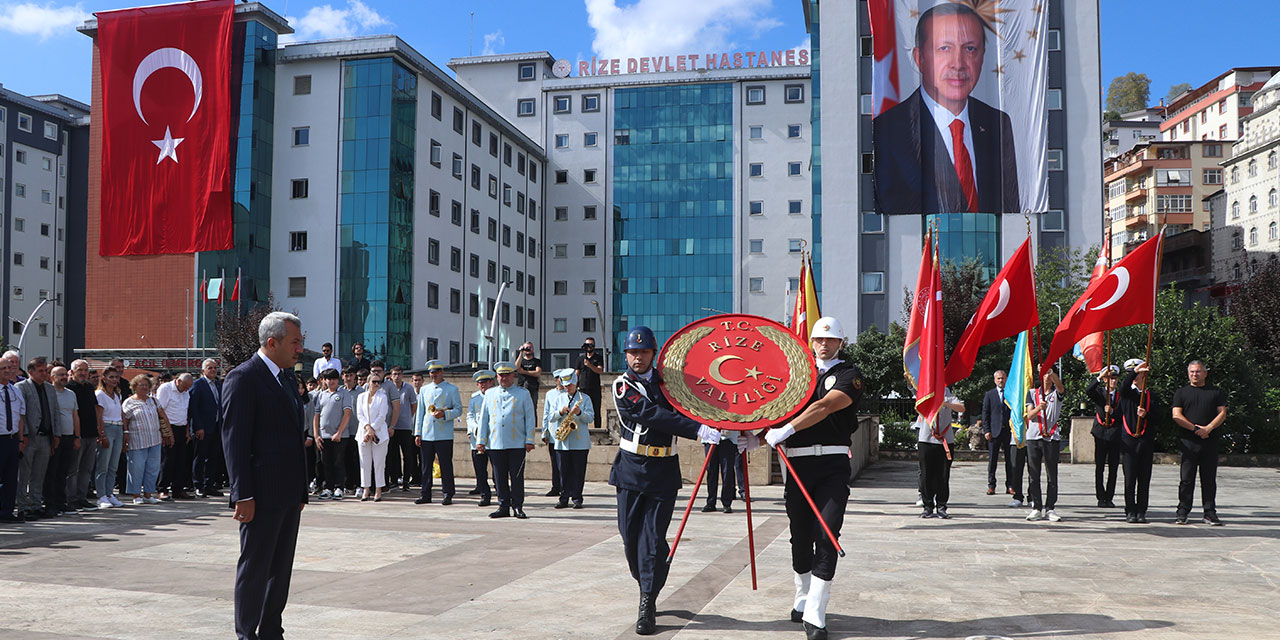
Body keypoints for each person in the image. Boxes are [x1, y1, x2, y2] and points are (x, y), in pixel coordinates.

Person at [611, 326, 722, 636]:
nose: (638, 357)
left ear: (653, 354)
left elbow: (699, 402)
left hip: (663, 469)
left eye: (644, 352)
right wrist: (697, 430)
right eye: (633, 352)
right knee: (630, 537)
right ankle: (652, 572)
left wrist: (722, 423)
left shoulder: (671, 385)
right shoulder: (622, 386)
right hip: (632, 467)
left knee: (651, 538)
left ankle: (648, 600)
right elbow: (650, 415)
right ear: (626, 355)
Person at [763, 317, 864, 640]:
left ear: (841, 343)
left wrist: (788, 429)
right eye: (819, 339)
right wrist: (755, 435)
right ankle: (803, 595)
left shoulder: (850, 374)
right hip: (798, 465)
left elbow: (826, 406)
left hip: (833, 463)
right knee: (800, 534)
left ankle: (816, 613)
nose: (824, 344)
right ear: (811, 342)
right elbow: (773, 409)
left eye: (830, 339)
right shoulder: (798, 376)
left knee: (828, 533)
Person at [872, 2, 1019, 215]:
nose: (958, 63)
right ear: (919, 58)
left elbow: (1010, 207)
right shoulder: (888, 130)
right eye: (944, 48)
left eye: (970, 49)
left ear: (983, 56)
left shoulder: (997, 123)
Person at [222, 311, 308, 640]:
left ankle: (272, 630)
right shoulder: (244, 377)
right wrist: (242, 494)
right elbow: (235, 439)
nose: (300, 348)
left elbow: (292, 437)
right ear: (272, 343)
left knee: (280, 570)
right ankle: (247, 634)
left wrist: (301, 490)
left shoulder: (286, 378)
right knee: (255, 567)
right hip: (259, 492)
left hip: (287, 492)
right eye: (295, 342)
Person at [476, 361, 536, 519]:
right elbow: (484, 418)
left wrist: (530, 439)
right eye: (501, 375)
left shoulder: (523, 393)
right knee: (499, 477)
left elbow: (530, 418)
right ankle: (503, 505)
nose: (504, 378)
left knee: (516, 477)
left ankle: (517, 506)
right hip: (496, 442)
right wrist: (481, 440)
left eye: (507, 375)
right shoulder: (490, 393)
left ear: (513, 376)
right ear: (497, 376)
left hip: (516, 442)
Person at [1171, 360, 1228, 526]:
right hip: (1188, 442)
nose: (1195, 375)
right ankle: (1182, 512)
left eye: (1198, 372)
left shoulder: (1216, 392)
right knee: (1186, 479)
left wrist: (1208, 428)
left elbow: (1222, 413)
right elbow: (1176, 415)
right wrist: (1195, 429)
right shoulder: (1181, 393)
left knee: (1209, 479)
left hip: (1210, 441)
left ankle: (1210, 512)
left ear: (1205, 373)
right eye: (1192, 372)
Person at [17, 357, 60, 519]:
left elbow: (55, 412)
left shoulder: (49, 389)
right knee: (24, 474)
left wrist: (57, 434)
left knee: (39, 474)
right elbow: (21, 413)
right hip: (29, 437)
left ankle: (36, 505)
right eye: (40, 371)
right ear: (31, 372)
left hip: (45, 437)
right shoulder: (21, 387)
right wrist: (24, 435)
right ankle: (22, 506)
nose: (44, 374)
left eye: (46, 371)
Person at [414, 360, 462, 505]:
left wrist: (445, 414)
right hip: (428, 432)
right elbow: (420, 412)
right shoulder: (424, 389)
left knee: (445, 465)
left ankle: (448, 493)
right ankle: (425, 493)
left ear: (442, 372)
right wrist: (418, 433)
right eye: (431, 372)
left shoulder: (451, 389)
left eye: (436, 372)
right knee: (426, 465)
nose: (433, 375)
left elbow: (458, 409)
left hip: (444, 433)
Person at [1118, 359, 1160, 524]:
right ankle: (1130, 510)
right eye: (1131, 374)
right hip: (1128, 442)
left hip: (1145, 442)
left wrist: (1146, 415)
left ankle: (1141, 510)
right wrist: (1136, 371)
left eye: (1137, 374)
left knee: (1144, 479)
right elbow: (1124, 386)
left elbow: (1159, 418)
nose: (1134, 377)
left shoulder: (1151, 395)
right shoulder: (1128, 394)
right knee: (1129, 479)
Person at [122, 374, 172, 505]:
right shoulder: (129, 402)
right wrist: (125, 434)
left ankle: (148, 494)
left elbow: (163, 416)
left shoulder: (153, 401)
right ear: (134, 387)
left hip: (154, 439)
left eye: (147, 385)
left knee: (153, 468)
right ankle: (136, 495)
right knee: (136, 468)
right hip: (137, 440)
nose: (145, 387)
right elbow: (124, 420)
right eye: (141, 385)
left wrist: (168, 433)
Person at [548, 369, 593, 509]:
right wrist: (559, 412)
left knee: (578, 471)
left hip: (580, 442)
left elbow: (591, 418)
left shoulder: (584, 398)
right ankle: (563, 497)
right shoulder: (558, 398)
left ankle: (577, 497)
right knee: (563, 471)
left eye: (570, 385)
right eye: (565, 385)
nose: (567, 388)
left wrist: (580, 413)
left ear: (575, 383)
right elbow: (550, 417)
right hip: (563, 442)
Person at [915, 388, 964, 519]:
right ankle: (928, 506)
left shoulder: (946, 392)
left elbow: (961, 408)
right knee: (926, 475)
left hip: (945, 440)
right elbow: (913, 388)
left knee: (943, 475)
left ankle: (941, 506)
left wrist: (946, 404)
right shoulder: (925, 389)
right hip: (926, 439)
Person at [1024, 369, 1065, 522]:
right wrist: (1038, 408)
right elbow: (1029, 415)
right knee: (1033, 474)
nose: (1047, 378)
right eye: (1044, 375)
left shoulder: (1056, 393)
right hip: (1034, 437)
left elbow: (1060, 386)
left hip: (1051, 438)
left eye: (1049, 375)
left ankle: (1050, 507)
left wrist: (1050, 371)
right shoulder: (1032, 393)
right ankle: (1036, 506)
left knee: (1051, 474)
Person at [515, 342, 554, 497]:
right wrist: (520, 354)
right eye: (525, 348)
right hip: (521, 387)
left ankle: (533, 428)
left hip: (532, 388)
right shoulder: (522, 359)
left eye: (529, 348)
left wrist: (525, 371)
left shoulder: (536, 361)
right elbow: (516, 368)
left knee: (532, 410)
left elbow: (538, 373)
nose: (527, 351)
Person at [312, 367, 353, 500]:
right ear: (324, 380)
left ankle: (339, 487)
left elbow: (347, 414)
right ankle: (328, 487)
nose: (331, 381)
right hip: (324, 436)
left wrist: (339, 432)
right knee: (326, 463)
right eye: (328, 379)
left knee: (338, 462)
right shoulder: (321, 395)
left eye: (334, 379)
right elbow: (316, 416)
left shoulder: (343, 393)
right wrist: (316, 435)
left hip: (340, 436)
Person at [1086, 365, 1121, 508]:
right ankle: (1101, 497)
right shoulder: (1100, 393)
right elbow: (1089, 390)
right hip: (1100, 433)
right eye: (1109, 378)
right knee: (1100, 466)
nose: (1112, 381)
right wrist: (1099, 378)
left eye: (1114, 378)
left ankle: (1109, 497)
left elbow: (1123, 413)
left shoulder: (1121, 395)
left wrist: (1112, 411)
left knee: (1113, 467)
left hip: (1115, 433)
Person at [67, 360, 101, 510]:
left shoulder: (88, 387)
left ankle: (82, 497)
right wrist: (76, 436)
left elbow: (94, 409)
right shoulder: (69, 388)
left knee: (86, 468)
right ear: (72, 371)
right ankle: (71, 499)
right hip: (77, 435)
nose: (83, 373)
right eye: (79, 370)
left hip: (91, 434)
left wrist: (99, 430)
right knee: (73, 469)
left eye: (85, 370)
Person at [190, 359, 225, 498]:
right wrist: (198, 427)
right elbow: (194, 408)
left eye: (214, 368)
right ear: (203, 370)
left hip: (216, 427)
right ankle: (198, 485)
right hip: (203, 428)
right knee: (200, 457)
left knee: (213, 458)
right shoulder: (198, 385)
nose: (212, 370)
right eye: (209, 368)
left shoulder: (218, 385)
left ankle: (209, 485)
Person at [47, 365, 80, 514]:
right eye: (59, 375)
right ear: (52, 377)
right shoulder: (49, 392)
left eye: (65, 374)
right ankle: (50, 502)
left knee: (63, 472)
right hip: (55, 437)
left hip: (69, 437)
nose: (63, 377)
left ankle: (61, 502)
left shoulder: (71, 394)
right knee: (52, 471)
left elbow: (75, 416)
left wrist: (77, 436)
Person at [157, 373, 194, 500]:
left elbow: (186, 411)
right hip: (169, 427)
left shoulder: (185, 392)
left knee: (181, 461)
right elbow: (160, 411)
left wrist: (187, 431)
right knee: (168, 460)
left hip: (182, 427)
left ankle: (178, 489)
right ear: (178, 381)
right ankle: (163, 488)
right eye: (185, 386)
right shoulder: (165, 389)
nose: (186, 390)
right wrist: (165, 432)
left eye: (188, 387)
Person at [355, 371, 390, 502]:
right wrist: (367, 429)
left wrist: (372, 429)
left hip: (379, 433)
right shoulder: (361, 397)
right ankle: (366, 489)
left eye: (378, 382)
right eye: (374, 382)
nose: (376, 384)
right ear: (368, 383)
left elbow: (382, 415)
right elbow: (360, 415)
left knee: (379, 463)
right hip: (363, 433)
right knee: (364, 463)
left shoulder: (383, 397)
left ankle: (378, 489)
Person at [94, 367, 125, 509]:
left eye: (116, 377)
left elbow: (121, 414)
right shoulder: (100, 394)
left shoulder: (118, 395)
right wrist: (102, 434)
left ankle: (109, 492)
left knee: (113, 465)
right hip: (107, 427)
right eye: (111, 377)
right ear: (104, 378)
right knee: (103, 465)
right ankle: (101, 495)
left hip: (118, 427)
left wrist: (125, 432)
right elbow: (99, 416)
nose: (115, 380)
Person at [0, 357, 26, 522]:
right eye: (3, 368)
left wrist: (21, 439)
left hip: (12, 439)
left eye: (10, 368)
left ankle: (8, 512)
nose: (8, 371)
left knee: (11, 478)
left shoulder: (15, 390)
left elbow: (20, 416)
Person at [980, 370, 1014, 497]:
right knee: (993, 460)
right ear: (995, 380)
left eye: (1003, 378)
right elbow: (985, 413)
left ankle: (1010, 485)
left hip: (1008, 432)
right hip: (994, 432)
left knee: (1010, 461)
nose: (1001, 380)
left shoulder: (1011, 393)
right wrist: (986, 430)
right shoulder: (990, 395)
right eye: (998, 378)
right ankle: (991, 485)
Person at [466, 369, 496, 505]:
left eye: (485, 382)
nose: (483, 385)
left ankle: (501, 491)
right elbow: (470, 415)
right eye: (480, 383)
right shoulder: (474, 398)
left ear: (491, 382)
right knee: (480, 469)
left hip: (493, 438)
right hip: (477, 438)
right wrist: (472, 428)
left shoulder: (496, 395)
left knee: (497, 469)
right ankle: (484, 494)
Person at [387, 365, 418, 491]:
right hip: (392, 426)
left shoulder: (408, 388)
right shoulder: (388, 387)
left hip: (405, 426)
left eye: (399, 374)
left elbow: (413, 406)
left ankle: (406, 481)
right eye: (394, 374)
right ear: (391, 375)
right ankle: (394, 480)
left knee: (408, 455)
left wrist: (408, 417)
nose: (397, 376)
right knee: (393, 455)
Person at [701, 428, 740, 515]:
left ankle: (726, 503)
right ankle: (710, 502)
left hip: (728, 438)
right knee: (711, 471)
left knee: (727, 472)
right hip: (711, 437)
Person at [577, 337, 605, 430]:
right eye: (587, 345)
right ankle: (582, 430)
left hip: (595, 388)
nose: (589, 347)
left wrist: (590, 365)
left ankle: (598, 430)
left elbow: (600, 370)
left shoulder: (598, 357)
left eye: (591, 345)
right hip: (583, 388)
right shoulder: (581, 359)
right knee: (582, 410)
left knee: (596, 410)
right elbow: (577, 373)